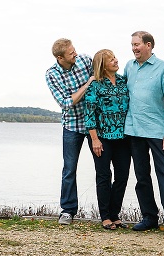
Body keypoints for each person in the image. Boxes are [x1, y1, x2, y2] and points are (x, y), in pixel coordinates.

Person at [123, 31, 164, 239]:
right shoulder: (128, 66)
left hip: (158, 131)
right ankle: (149, 217)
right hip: (134, 130)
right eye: (132, 45)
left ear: (149, 45)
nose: (134, 48)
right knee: (142, 177)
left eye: (137, 45)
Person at [45, 38, 94, 225]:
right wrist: (87, 84)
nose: (76, 54)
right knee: (69, 169)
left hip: (93, 125)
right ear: (60, 57)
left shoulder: (85, 60)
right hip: (72, 125)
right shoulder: (52, 74)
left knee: (102, 169)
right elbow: (66, 103)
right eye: (71, 53)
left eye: (75, 50)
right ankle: (67, 210)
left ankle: (107, 212)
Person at [83, 49, 132, 230]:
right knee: (104, 176)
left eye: (114, 57)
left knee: (122, 176)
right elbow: (89, 114)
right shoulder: (95, 84)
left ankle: (115, 214)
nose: (115, 60)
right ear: (102, 65)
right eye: (111, 59)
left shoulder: (123, 81)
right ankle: (105, 217)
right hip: (101, 138)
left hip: (123, 138)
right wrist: (95, 139)